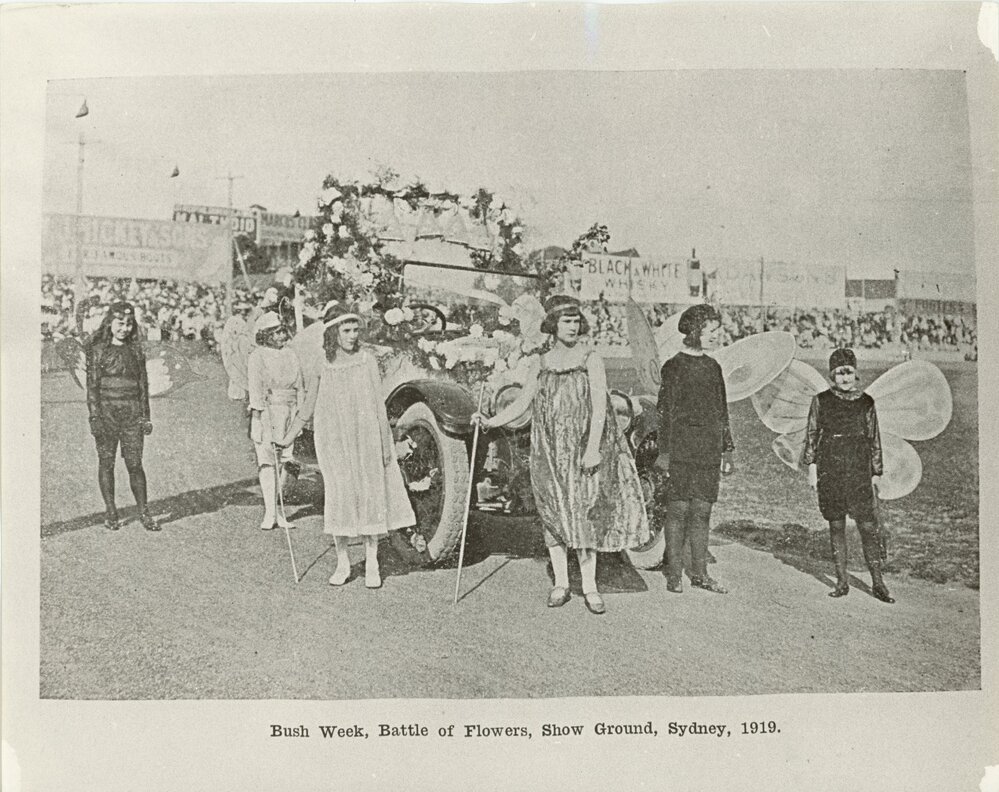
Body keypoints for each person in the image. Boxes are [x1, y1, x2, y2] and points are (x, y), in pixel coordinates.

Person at [475, 295, 650, 615]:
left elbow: (600, 406)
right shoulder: (540, 362)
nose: (572, 326)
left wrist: (593, 448)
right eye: (565, 321)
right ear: (553, 325)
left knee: (583, 514)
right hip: (548, 450)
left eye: (575, 320)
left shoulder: (590, 359)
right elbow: (522, 403)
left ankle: (590, 587)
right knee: (552, 513)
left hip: (582, 449)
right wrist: (491, 421)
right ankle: (561, 583)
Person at [279, 304, 415, 589]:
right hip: (334, 440)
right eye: (347, 330)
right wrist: (287, 438)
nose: (353, 335)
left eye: (355, 330)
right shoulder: (321, 363)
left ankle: (372, 561)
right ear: (333, 333)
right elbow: (308, 406)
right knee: (339, 497)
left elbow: (378, 406)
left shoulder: (366, 361)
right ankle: (342, 562)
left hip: (366, 438)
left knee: (369, 495)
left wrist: (385, 444)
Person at [802, 348, 894, 603]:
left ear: (855, 374)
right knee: (836, 524)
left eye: (848, 373)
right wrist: (812, 466)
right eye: (839, 373)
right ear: (832, 375)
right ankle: (842, 581)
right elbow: (812, 434)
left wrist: (876, 472)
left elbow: (874, 438)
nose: (844, 378)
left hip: (858, 468)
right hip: (830, 467)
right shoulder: (821, 400)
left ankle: (878, 583)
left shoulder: (866, 402)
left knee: (867, 526)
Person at [656, 303, 734, 594]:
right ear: (694, 331)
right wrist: (665, 453)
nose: (716, 335)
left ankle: (700, 574)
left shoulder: (713, 367)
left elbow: (722, 411)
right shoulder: (673, 366)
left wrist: (727, 450)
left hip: (708, 449)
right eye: (710, 330)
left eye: (717, 330)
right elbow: (664, 412)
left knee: (702, 511)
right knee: (678, 510)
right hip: (681, 449)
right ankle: (674, 573)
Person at [84, 301, 159, 531]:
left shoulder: (136, 350)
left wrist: (145, 416)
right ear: (109, 322)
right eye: (120, 323)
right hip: (106, 414)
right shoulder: (98, 350)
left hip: (132, 415)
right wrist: (94, 418)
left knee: (135, 464)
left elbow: (143, 386)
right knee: (106, 463)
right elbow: (92, 388)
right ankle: (111, 511)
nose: (124, 328)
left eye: (128, 324)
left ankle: (144, 512)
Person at [247, 311, 304, 531]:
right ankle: (269, 511)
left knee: (283, 461)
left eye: (282, 331)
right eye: (276, 332)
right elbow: (255, 389)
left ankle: (279, 510)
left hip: (289, 412)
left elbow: (299, 386)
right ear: (266, 335)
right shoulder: (258, 356)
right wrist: (256, 418)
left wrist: (299, 415)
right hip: (267, 412)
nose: (281, 336)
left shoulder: (291, 354)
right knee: (267, 460)